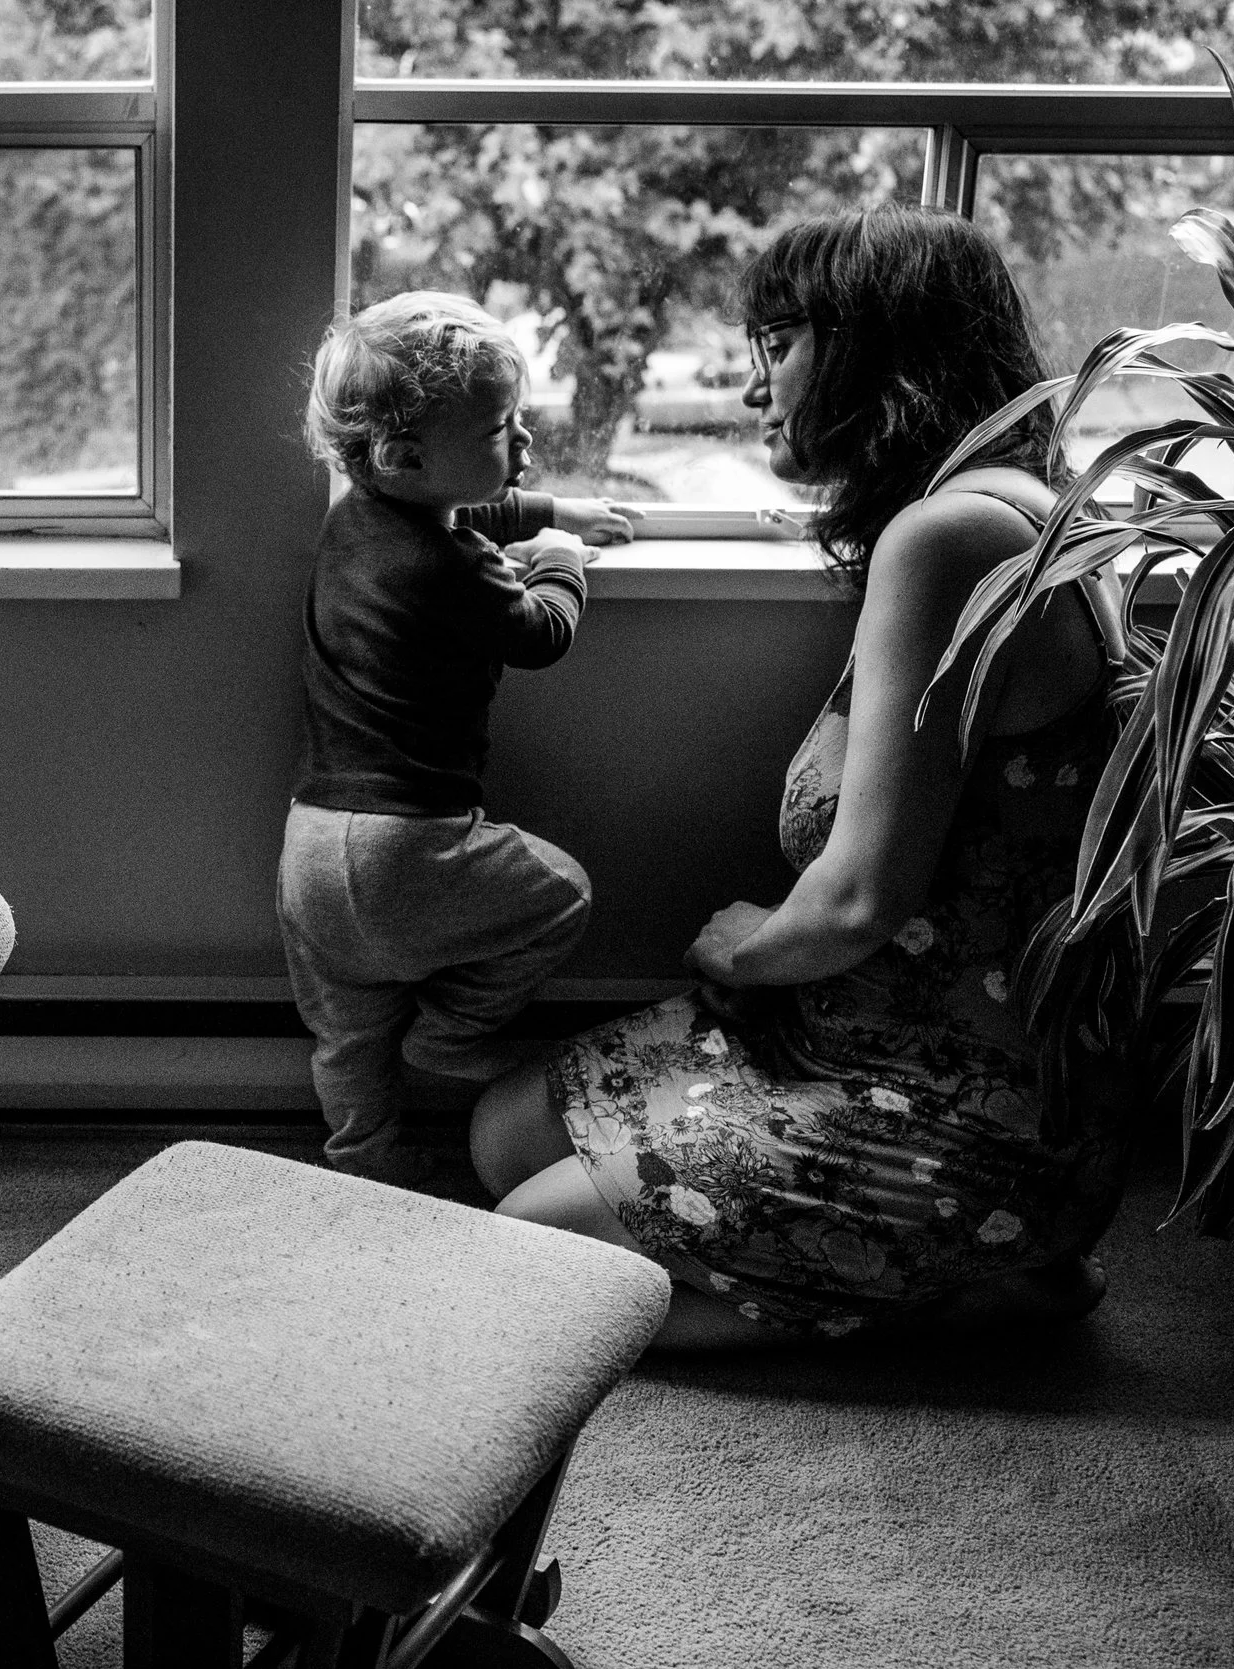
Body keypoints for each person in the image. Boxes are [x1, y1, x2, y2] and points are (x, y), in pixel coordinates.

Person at [470, 206, 1127, 1345]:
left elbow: (860, 897)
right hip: (855, 1029)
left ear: (873, 343)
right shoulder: (1006, 506)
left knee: (533, 1259)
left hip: (953, 1106)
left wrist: (737, 944)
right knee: (498, 1135)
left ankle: (982, 1282)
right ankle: (923, 1273)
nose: (751, 387)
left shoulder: (950, 541)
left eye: (776, 341)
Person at [283, 290, 635, 1186]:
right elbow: (539, 634)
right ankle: (449, 1037)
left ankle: (356, 1167)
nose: (519, 443)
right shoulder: (453, 566)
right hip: (412, 844)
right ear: (406, 456)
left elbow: (462, 507)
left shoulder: (355, 520)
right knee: (562, 895)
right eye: (498, 430)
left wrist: (551, 504)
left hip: (314, 850)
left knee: (348, 1037)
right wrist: (562, 556)